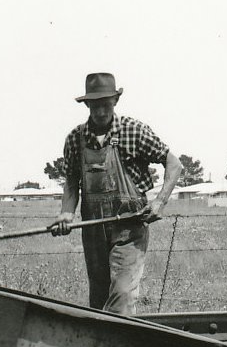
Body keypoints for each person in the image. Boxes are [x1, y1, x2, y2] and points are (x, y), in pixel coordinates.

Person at [49, 72, 182, 315]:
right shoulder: (75, 139)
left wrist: (159, 202)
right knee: (99, 299)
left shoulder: (134, 131)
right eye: (95, 106)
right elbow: (71, 180)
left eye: (106, 105)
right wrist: (66, 213)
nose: (101, 111)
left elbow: (174, 164)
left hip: (129, 227)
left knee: (121, 296)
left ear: (115, 102)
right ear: (87, 104)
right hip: (93, 229)